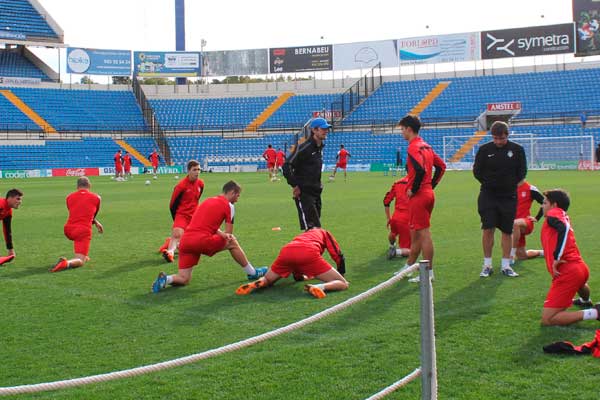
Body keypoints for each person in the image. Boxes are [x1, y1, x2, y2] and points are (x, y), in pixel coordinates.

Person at [152, 181, 267, 293]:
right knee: (232, 242)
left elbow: (204, 223)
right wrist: (225, 235)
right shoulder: (229, 206)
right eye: (237, 195)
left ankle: (166, 279)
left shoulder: (208, 200)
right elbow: (229, 235)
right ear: (231, 192)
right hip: (201, 240)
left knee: (184, 278)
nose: (237, 199)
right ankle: (252, 273)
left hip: (186, 242)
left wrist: (221, 234)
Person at [473, 121, 527, 278]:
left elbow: (522, 172)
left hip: (508, 197)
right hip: (488, 195)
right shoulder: (484, 150)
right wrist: (490, 183)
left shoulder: (517, 150)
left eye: (501, 138)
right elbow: (477, 171)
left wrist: (509, 185)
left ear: (507, 135)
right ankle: (487, 265)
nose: (498, 141)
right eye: (495, 138)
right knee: (488, 229)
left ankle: (506, 265)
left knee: (507, 230)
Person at [396, 115, 446, 282]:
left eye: (402, 129)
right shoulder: (427, 146)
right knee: (416, 234)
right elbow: (441, 167)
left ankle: (428, 273)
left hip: (418, 196)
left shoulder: (413, 147)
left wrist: (415, 188)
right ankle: (409, 267)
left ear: (409, 129)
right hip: (428, 194)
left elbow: (420, 170)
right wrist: (431, 186)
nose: (401, 133)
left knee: (423, 234)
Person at [539, 189, 599, 326]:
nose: (542, 206)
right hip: (580, 269)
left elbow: (564, 227)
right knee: (580, 284)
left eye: (545, 203)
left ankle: (596, 313)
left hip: (568, 271)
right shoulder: (560, 213)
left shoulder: (553, 213)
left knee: (548, 319)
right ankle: (585, 301)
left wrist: (556, 257)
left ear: (554, 205)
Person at [235, 228, 348, 299]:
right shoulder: (324, 232)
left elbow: (296, 271)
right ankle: (320, 287)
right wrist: (341, 272)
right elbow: (337, 254)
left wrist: (302, 277)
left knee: (268, 279)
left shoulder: (301, 236)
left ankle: (258, 282)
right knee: (342, 283)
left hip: (287, 251)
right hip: (308, 252)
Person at [283, 117, 329, 231]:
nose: (326, 131)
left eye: (327, 129)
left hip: (316, 192)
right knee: (312, 229)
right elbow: (286, 166)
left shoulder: (320, 148)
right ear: (314, 130)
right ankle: (307, 248)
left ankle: (310, 248)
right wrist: (295, 185)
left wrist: (318, 182)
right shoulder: (304, 147)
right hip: (304, 193)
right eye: (323, 129)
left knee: (315, 228)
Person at [51, 177, 103, 273]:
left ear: (77, 186)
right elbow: (91, 215)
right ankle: (66, 263)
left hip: (68, 230)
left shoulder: (69, 197)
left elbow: (76, 212)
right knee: (80, 261)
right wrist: (95, 222)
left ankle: (83, 254)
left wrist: (96, 221)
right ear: (90, 186)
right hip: (82, 231)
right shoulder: (97, 198)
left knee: (83, 252)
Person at [158, 160, 204, 262]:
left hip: (194, 216)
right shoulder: (181, 186)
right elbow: (172, 205)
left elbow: (197, 198)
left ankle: (171, 242)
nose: (197, 172)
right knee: (177, 234)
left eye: (198, 169)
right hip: (182, 215)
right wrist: (177, 221)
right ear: (188, 171)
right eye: (194, 170)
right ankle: (170, 253)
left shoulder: (201, 184)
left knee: (193, 246)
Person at [510, 179, 544, 266]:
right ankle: (541, 252)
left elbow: (545, 203)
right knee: (522, 256)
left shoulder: (531, 188)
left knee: (515, 223)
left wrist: (537, 218)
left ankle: (511, 254)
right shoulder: (508, 187)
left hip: (526, 223)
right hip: (514, 229)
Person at [384, 176, 411, 259]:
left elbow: (386, 201)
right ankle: (396, 252)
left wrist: (389, 218)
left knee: (393, 233)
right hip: (407, 219)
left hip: (396, 217)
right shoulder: (416, 184)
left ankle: (392, 246)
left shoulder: (397, 183)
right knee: (412, 250)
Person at [0, 189, 23, 266]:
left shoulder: (8, 211)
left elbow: (7, 231)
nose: (20, 202)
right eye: (18, 199)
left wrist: (10, 249)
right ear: (10, 198)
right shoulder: (1, 205)